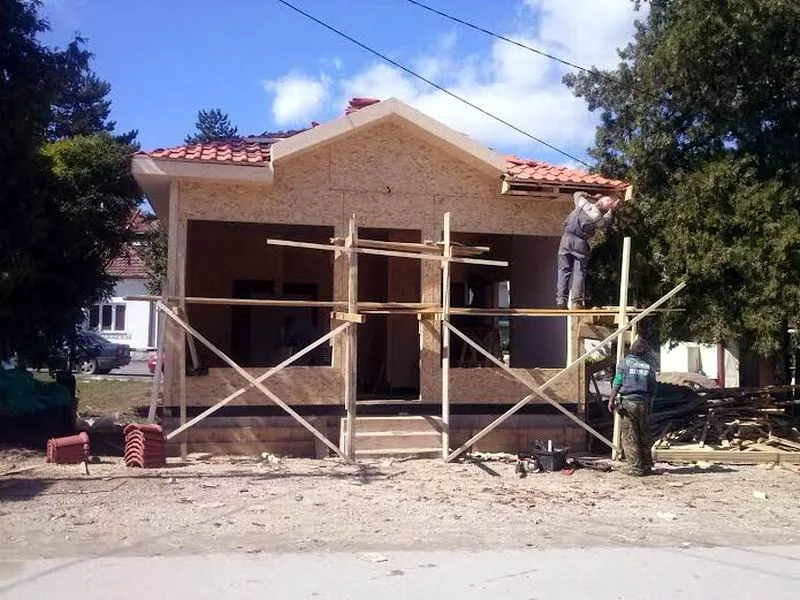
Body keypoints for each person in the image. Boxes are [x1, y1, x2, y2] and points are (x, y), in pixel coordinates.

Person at [556, 191, 620, 308]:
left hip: (566, 239)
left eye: (609, 201)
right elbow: (605, 223)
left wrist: (591, 196)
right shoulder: (598, 218)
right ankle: (576, 302)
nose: (608, 201)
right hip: (579, 242)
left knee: (564, 270)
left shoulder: (583, 203)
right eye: (608, 199)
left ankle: (561, 300)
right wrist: (611, 210)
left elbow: (577, 194)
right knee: (579, 272)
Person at [607, 337, 657, 476]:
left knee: (630, 436)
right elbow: (653, 387)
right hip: (643, 403)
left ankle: (636, 468)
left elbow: (617, 381)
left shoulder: (624, 363)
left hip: (628, 403)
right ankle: (646, 465)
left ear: (632, 350)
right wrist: (650, 404)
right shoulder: (648, 366)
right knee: (644, 435)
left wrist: (611, 399)